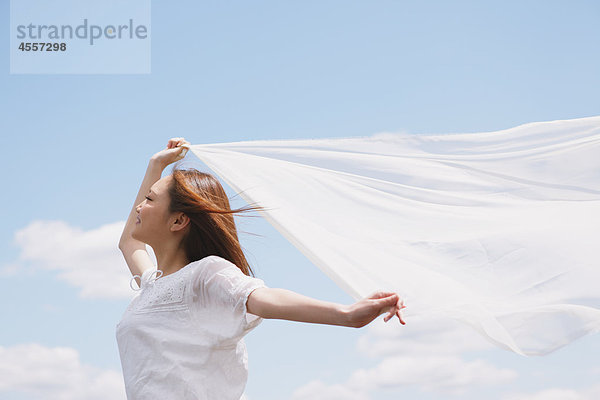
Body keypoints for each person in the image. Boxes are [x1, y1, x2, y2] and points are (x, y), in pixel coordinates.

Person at [116, 137, 406, 400]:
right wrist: (155, 165)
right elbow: (128, 243)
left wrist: (346, 315)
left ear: (178, 221)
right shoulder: (152, 286)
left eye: (150, 200)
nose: (139, 207)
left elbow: (263, 299)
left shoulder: (204, 274)